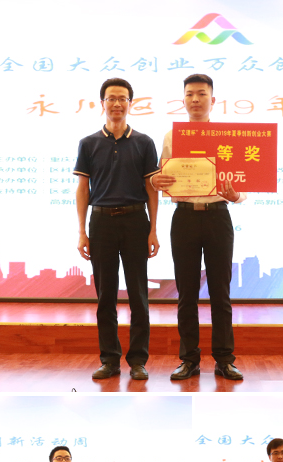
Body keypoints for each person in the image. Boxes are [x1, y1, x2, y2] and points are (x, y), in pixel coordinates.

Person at [151, 73, 245, 381]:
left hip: (218, 215)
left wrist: (236, 195)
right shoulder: (171, 137)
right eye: (190, 94)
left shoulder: (228, 136)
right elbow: (164, 179)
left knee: (220, 292)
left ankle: (224, 359)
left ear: (212, 100)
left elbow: (242, 182)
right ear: (183, 100)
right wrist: (158, 181)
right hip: (185, 217)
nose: (195, 99)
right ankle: (189, 359)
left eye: (202, 94)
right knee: (186, 293)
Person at [74, 77, 160, 381]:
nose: (117, 104)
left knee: (138, 294)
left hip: (136, 222)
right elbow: (83, 189)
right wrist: (82, 231)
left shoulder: (144, 142)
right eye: (111, 98)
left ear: (130, 104)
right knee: (105, 296)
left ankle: (138, 360)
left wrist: (153, 229)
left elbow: (151, 189)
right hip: (101, 223)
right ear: (102, 103)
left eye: (123, 98)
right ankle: (109, 359)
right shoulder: (88, 143)